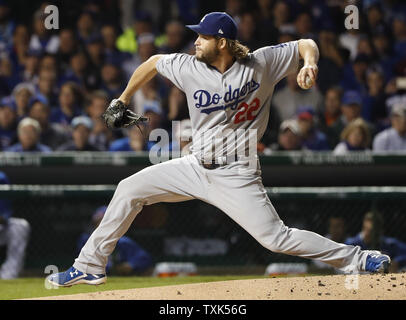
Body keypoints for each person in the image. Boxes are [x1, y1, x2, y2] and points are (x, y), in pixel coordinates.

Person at [48, 12, 391, 287]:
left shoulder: (261, 64)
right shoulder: (189, 67)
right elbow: (152, 61)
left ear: (222, 42)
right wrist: (121, 98)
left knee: (276, 238)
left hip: (237, 171)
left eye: (203, 36)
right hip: (194, 166)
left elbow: (307, 43)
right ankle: (90, 266)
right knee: (128, 189)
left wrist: (309, 63)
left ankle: (358, 259)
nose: (196, 41)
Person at [77, 206, 152, 276]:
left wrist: (131, 265)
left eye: (107, 221)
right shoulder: (87, 240)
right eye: (100, 221)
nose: (103, 225)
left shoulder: (122, 241)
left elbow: (145, 258)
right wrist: (111, 267)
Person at [0, 171, 31, 279]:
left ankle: (8, 276)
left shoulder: (1, 178)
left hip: (1, 226)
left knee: (20, 226)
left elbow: (5, 211)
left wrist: (3, 217)